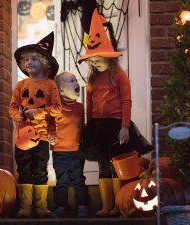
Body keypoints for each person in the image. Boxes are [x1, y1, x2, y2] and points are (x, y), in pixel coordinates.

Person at [78, 10, 152, 217]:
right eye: (91, 61)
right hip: (98, 127)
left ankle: (121, 204)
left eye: (97, 60)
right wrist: (88, 125)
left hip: (116, 126)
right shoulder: (92, 79)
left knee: (117, 165)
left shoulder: (119, 76)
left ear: (109, 58)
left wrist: (125, 127)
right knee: (103, 165)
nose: (94, 64)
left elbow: (126, 101)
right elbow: (89, 104)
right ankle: (106, 206)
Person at [9, 32, 62, 218]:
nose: (28, 62)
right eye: (25, 60)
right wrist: (17, 116)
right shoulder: (20, 86)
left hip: (42, 136)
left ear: (44, 63)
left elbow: (57, 109)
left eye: (33, 59)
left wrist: (38, 113)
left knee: (40, 169)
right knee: (24, 169)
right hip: (22, 136)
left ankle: (41, 206)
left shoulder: (50, 85)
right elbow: (13, 107)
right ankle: (25, 207)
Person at [50, 72, 90, 218]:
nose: (76, 83)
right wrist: (51, 136)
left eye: (76, 80)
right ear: (60, 91)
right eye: (71, 81)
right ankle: (61, 206)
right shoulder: (56, 108)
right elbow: (50, 125)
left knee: (78, 179)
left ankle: (82, 205)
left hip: (77, 150)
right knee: (62, 181)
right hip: (60, 151)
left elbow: (81, 126)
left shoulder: (80, 107)